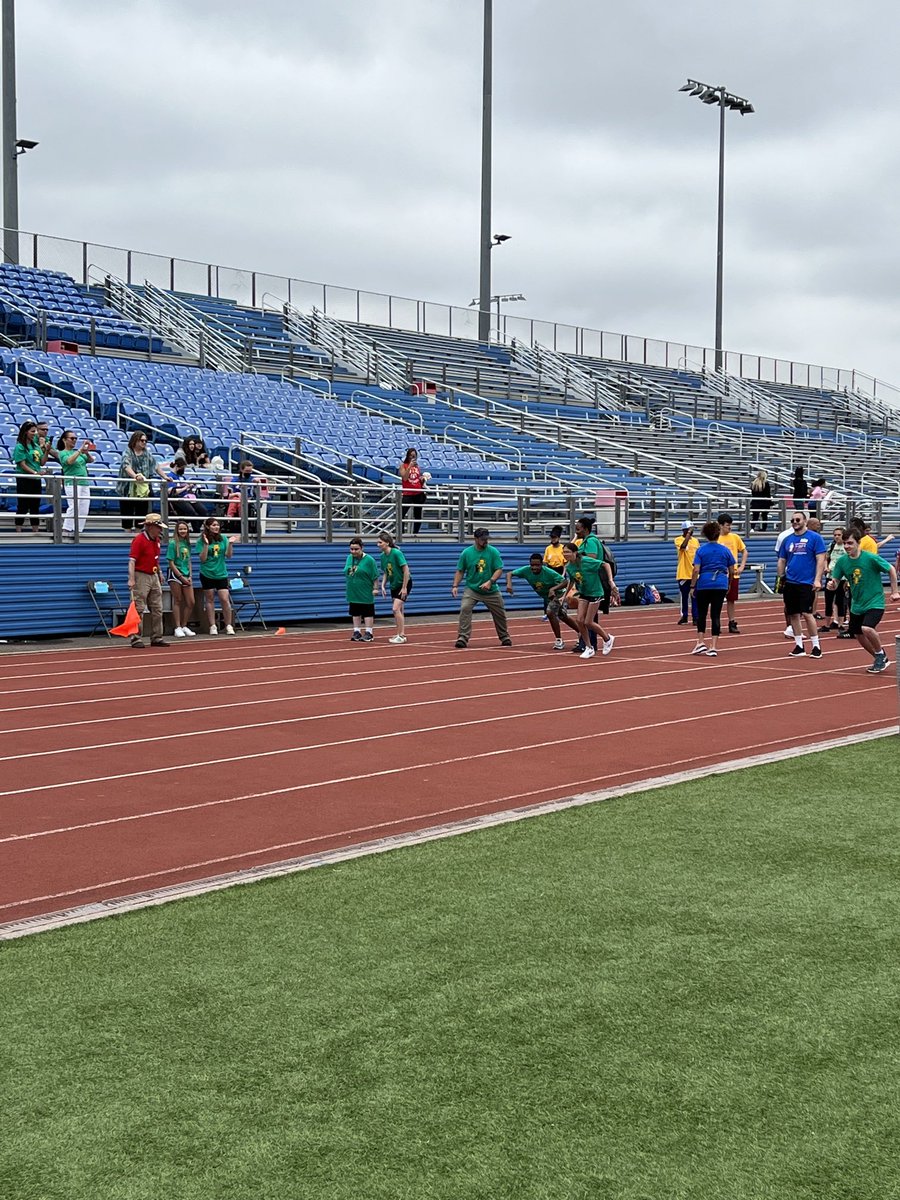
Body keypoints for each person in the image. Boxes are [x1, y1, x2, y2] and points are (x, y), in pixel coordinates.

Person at [828, 530, 900, 673]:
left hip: (875, 601)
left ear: (858, 543)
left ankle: (879, 653)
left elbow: (891, 569)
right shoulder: (842, 562)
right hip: (857, 604)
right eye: (845, 543)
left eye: (850, 543)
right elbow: (835, 580)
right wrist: (832, 585)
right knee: (857, 634)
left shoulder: (870, 558)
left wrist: (895, 591)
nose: (847, 546)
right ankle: (880, 657)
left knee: (866, 628)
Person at [776, 509, 827, 658]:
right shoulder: (788, 539)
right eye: (792, 520)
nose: (795, 523)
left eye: (797, 520)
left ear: (805, 521)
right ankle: (799, 645)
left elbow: (820, 559)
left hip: (806, 582)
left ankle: (816, 646)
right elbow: (782, 560)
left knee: (807, 613)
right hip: (790, 582)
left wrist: (817, 579)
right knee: (793, 614)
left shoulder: (815, 538)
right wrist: (781, 577)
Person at [451, 528, 511, 648]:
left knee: (500, 612)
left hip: (491, 590)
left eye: (487, 539)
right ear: (476, 539)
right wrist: (455, 585)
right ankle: (463, 637)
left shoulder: (493, 552)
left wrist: (490, 582)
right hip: (472, 588)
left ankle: (504, 636)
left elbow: (499, 569)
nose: (485, 541)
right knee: (465, 608)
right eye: (483, 539)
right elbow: (460, 570)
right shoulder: (466, 553)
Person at [506, 553, 577, 650]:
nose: (534, 567)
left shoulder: (548, 572)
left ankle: (558, 640)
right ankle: (581, 632)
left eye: (537, 565)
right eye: (532, 565)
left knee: (550, 612)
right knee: (563, 616)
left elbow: (565, 582)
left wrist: (553, 589)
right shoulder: (526, 570)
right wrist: (509, 585)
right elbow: (509, 573)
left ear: (542, 565)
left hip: (559, 595)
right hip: (547, 597)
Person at [688, 521, 735, 658]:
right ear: (718, 533)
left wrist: (692, 585)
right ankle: (713, 646)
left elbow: (696, 569)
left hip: (704, 583)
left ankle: (700, 641)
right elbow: (732, 570)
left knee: (702, 614)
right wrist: (729, 583)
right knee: (716, 614)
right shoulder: (725, 550)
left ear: (705, 534)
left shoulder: (701, 550)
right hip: (720, 583)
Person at [561, 541, 615, 660]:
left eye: (568, 552)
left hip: (596, 592)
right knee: (579, 620)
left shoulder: (586, 561)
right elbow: (572, 581)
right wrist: (564, 596)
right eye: (564, 552)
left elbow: (605, 565)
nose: (565, 554)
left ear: (575, 552)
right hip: (584, 593)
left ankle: (607, 638)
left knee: (588, 622)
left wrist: (611, 582)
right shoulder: (569, 567)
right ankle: (589, 647)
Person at [127, 513, 169, 649]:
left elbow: (155, 558)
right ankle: (135, 637)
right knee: (139, 607)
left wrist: (160, 572)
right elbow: (132, 561)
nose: (160, 530)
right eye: (158, 527)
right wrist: (131, 579)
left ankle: (157, 636)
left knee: (157, 608)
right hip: (141, 575)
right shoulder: (139, 540)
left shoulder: (156, 540)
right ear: (150, 527)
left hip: (153, 574)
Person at [117, 432, 167, 531]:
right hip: (128, 487)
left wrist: (165, 476)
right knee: (127, 510)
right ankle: (127, 531)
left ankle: (139, 531)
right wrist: (135, 476)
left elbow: (156, 466)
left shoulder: (147, 454)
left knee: (142, 510)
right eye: (142, 440)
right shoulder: (128, 452)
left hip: (143, 487)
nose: (144, 442)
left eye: (146, 441)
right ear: (135, 440)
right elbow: (126, 466)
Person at [198, 516, 237, 635]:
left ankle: (228, 625)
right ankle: (212, 625)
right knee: (209, 599)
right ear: (208, 527)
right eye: (213, 525)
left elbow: (229, 556)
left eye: (217, 525)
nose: (216, 527)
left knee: (224, 598)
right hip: (207, 573)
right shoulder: (202, 540)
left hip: (221, 573)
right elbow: (202, 559)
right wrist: (205, 545)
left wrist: (230, 544)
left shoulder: (223, 539)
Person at [57, 429, 94, 539]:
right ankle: (67, 528)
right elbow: (69, 461)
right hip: (72, 482)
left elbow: (91, 460)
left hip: (84, 482)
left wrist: (86, 452)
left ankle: (78, 529)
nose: (74, 440)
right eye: (72, 438)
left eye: (75, 439)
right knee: (74, 505)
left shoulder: (78, 453)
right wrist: (80, 450)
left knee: (84, 506)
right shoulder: (63, 452)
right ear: (64, 440)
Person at [377, 531, 412, 644]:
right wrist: (383, 585)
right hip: (394, 584)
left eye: (380, 542)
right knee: (399, 610)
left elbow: (406, 570)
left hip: (403, 583)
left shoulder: (396, 553)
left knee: (395, 608)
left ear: (387, 543)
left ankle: (401, 635)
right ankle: (400, 633)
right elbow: (387, 572)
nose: (378, 545)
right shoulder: (382, 556)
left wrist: (404, 587)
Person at [717, 512, 748, 633]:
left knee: (731, 600)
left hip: (732, 574)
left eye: (730, 525)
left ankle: (732, 622)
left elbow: (745, 551)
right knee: (717, 600)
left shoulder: (735, 537)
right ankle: (716, 621)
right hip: (719, 574)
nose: (729, 528)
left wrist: (742, 566)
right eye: (727, 525)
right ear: (720, 525)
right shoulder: (716, 538)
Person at [345, 536, 379, 642]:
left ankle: (369, 632)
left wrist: (375, 588)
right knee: (355, 611)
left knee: (367, 611)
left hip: (365, 590)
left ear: (362, 548)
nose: (353, 551)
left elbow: (375, 576)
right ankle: (356, 631)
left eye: (356, 549)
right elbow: (346, 570)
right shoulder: (349, 558)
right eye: (352, 549)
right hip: (353, 590)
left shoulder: (369, 560)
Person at [166, 519, 197, 638]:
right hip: (176, 575)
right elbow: (171, 562)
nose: (183, 531)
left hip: (186, 574)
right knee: (177, 600)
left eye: (185, 529)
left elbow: (188, 560)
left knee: (191, 602)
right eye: (180, 529)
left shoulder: (187, 543)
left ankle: (184, 625)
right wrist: (180, 576)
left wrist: (189, 576)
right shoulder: (173, 543)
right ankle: (177, 627)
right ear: (177, 531)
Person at [12, 420, 43, 532]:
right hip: (24, 479)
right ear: (25, 432)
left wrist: (47, 450)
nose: (35, 433)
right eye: (32, 431)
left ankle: (35, 529)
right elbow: (22, 464)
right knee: (23, 505)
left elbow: (42, 462)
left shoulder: (36, 446)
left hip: (35, 479)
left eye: (35, 431)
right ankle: (18, 529)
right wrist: (35, 473)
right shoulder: (20, 446)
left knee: (35, 505)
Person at [165, 458, 208, 529]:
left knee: (203, 511)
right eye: (182, 468)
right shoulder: (170, 476)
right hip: (177, 498)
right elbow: (171, 491)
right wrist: (185, 487)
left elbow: (186, 488)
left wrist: (190, 487)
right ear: (176, 466)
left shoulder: (182, 477)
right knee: (192, 512)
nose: (183, 470)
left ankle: (197, 529)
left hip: (188, 497)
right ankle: (196, 530)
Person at [823, 527, 849, 634]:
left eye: (839, 535)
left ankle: (840, 624)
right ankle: (827, 624)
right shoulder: (832, 545)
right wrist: (826, 567)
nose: (837, 537)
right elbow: (826, 558)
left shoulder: (847, 546)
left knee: (840, 601)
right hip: (831, 576)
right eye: (835, 535)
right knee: (828, 600)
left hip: (842, 578)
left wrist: (847, 579)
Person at [673, 520, 699, 625]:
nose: (692, 532)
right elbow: (683, 547)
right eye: (690, 530)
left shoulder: (696, 541)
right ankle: (684, 616)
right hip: (683, 573)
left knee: (695, 596)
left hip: (694, 573)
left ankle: (695, 617)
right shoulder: (678, 539)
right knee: (684, 597)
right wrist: (688, 534)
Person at [399, 448, 428, 536]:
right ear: (408, 456)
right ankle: (401, 533)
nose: (413, 457)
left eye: (414, 456)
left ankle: (416, 533)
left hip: (418, 492)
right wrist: (409, 466)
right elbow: (404, 478)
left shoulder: (417, 467)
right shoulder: (403, 465)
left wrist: (422, 479)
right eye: (411, 455)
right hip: (408, 493)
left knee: (418, 514)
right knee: (402, 513)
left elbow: (416, 478)